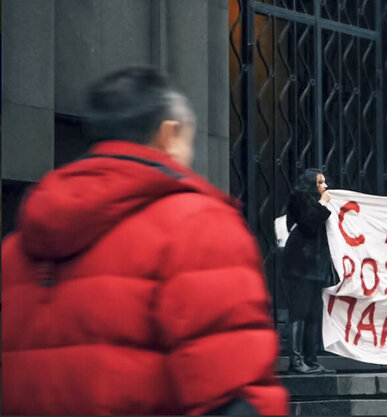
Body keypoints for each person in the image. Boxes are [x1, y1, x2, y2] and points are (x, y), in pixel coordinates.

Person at [1, 67, 289, 415]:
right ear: (169, 134)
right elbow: (235, 396)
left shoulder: (16, 249)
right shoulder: (197, 225)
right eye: (189, 139)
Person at [282, 168, 336, 374]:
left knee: (314, 314)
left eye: (324, 182)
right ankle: (296, 361)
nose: (325, 186)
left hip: (316, 265)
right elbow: (309, 223)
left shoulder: (319, 202)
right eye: (320, 183)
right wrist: (322, 202)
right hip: (300, 264)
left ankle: (311, 360)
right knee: (300, 311)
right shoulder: (300, 199)